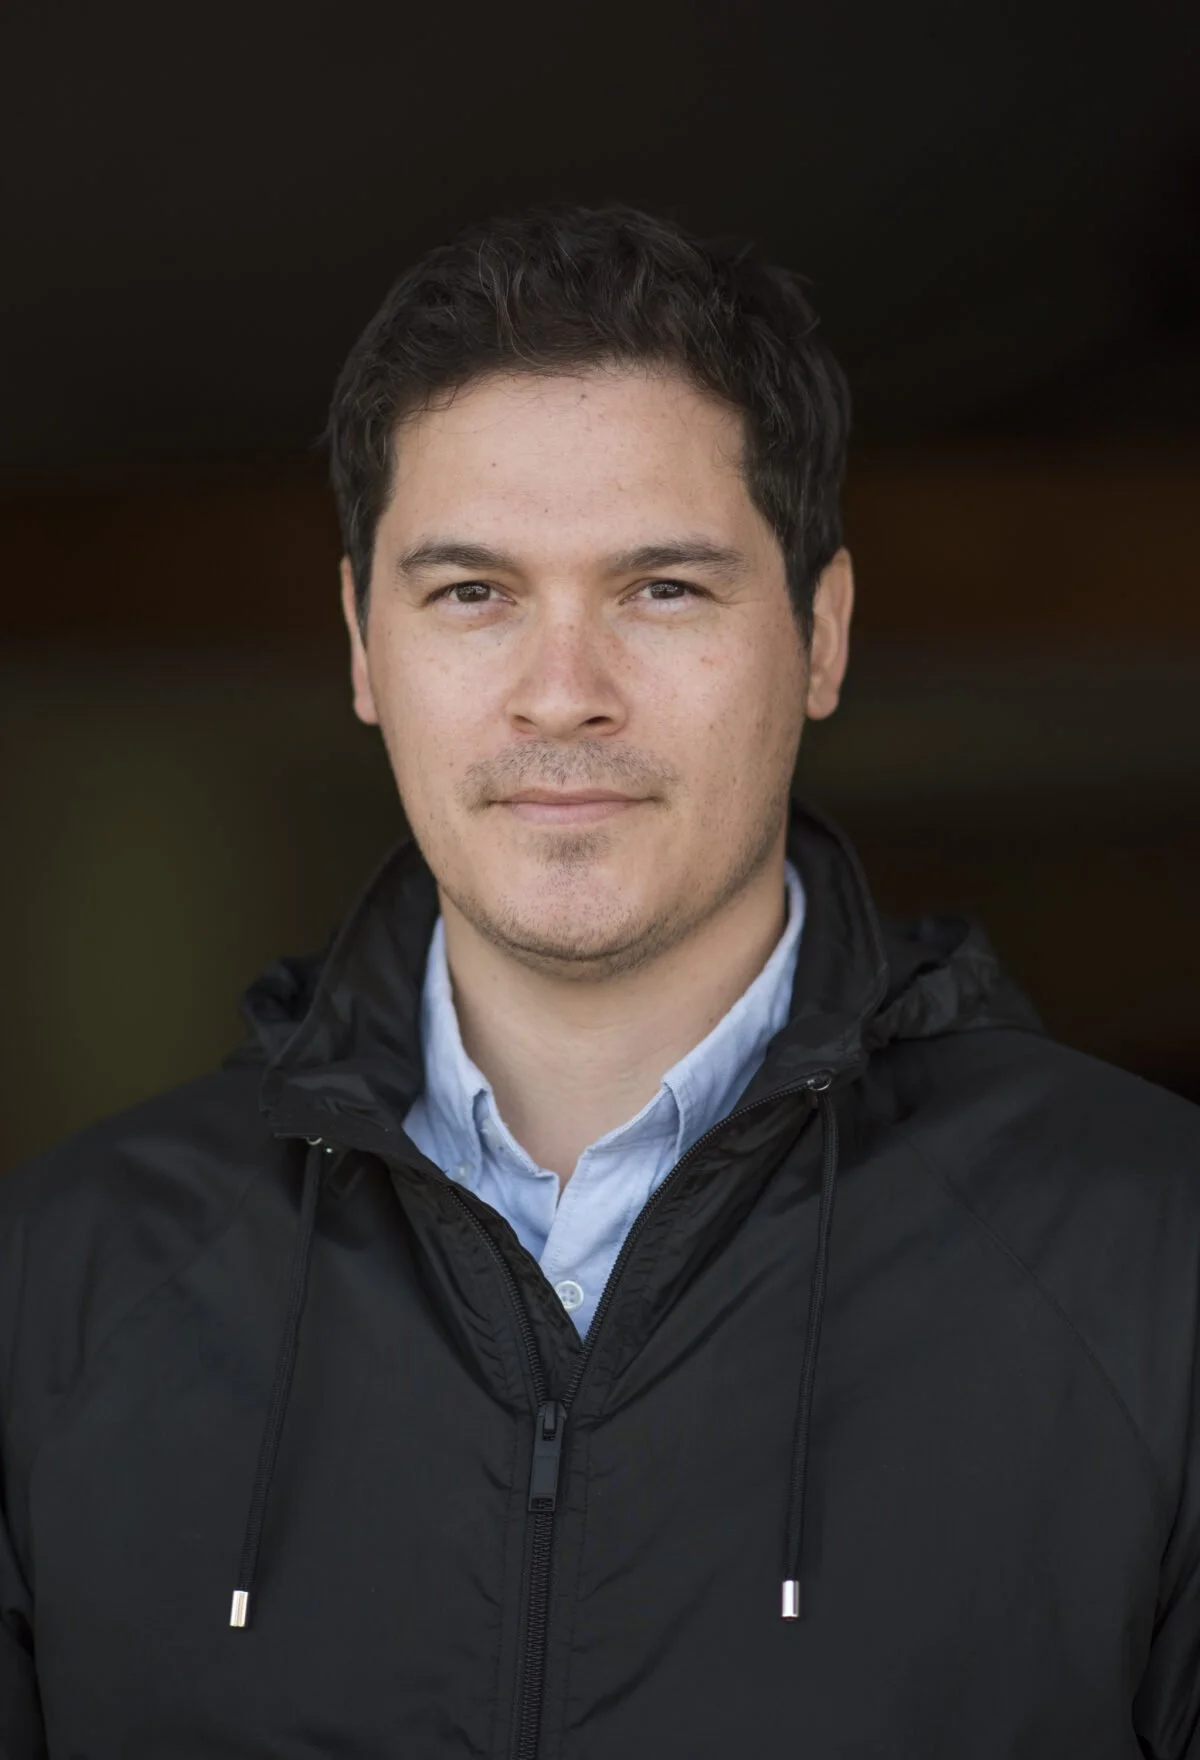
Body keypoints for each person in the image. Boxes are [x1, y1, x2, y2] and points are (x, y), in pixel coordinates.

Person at [1, 201, 1197, 1760]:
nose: (563, 694)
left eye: (664, 590)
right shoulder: (57, 1292)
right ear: (364, 645)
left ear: (821, 636)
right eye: (473, 594)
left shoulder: (1158, 1261)